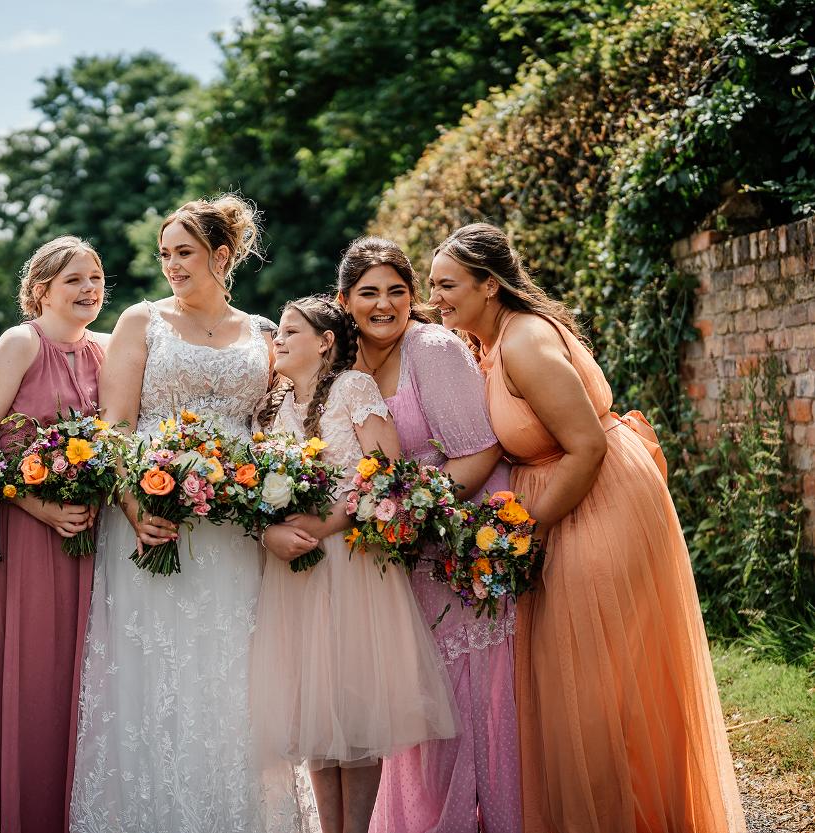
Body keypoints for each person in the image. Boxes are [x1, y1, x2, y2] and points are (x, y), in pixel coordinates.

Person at [430, 222, 745, 832]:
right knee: (567, 680)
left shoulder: (523, 343)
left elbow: (585, 447)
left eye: (447, 285)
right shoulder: (485, 339)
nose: (435, 298)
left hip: (593, 503)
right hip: (556, 502)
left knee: (595, 683)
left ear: (489, 286)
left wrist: (527, 527)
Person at [69, 195, 310, 832]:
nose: (171, 265)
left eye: (184, 253)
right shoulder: (141, 322)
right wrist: (135, 505)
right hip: (151, 520)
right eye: (165, 255)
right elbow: (116, 427)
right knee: (154, 674)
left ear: (221, 256)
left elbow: (276, 428)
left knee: (233, 677)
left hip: (235, 530)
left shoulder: (262, 333)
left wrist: (275, 492)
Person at [250, 296, 458, 833]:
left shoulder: (352, 389)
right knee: (317, 716)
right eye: (278, 331)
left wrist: (326, 524)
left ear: (325, 341)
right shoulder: (270, 405)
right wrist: (269, 530)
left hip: (351, 565)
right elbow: (249, 489)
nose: (278, 339)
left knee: (354, 706)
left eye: (290, 331)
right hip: (293, 571)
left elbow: (384, 473)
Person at [334, 237, 520, 833]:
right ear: (345, 301)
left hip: (456, 541)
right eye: (369, 293)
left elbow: (481, 449)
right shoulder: (344, 363)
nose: (384, 305)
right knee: (414, 708)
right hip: (392, 554)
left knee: (469, 702)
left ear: (413, 298)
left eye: (397, 291)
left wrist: (418, 514)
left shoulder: (433, 349)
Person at [0, 236, 108, 833]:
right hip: (28, 538)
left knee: (90, 684)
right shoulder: (21, 342)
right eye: (75, 279)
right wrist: (40, 507)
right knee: (39, 684)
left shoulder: (105, 349)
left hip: (97, 538)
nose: (90, 289)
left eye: (97, 278)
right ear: (41, 288)